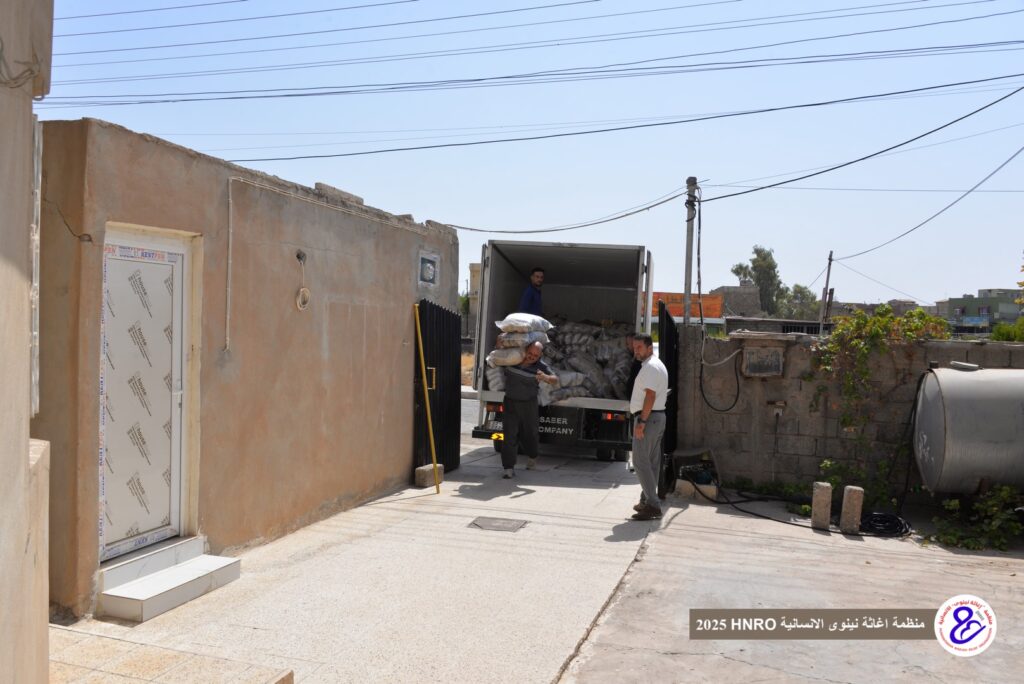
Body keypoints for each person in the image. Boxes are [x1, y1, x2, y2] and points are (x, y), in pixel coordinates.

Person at [501, 341, 558, 479]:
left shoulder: (540, 366)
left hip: (529, 405)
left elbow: (555, 379)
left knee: (530, 435)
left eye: (535, 355)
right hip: (510, 403)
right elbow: (497, 356)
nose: (532, 357)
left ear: (540, 356)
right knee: (509, 436)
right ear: (525, 350)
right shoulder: (513, 359)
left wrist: (545, 377)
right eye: (530, 353)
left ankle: (533, 456)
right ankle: (508, 468)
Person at [629, 333, 669, 520]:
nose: (636, 351)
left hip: (649, 419)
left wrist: (642, 422)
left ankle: (653, 505)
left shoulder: (651, 367)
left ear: (649, 348)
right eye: (634, 347)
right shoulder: (654, 365)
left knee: (639, 461)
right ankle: (646, 500)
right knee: (651, 463)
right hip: (655, 418)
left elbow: (650, 396)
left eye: (639, 347)